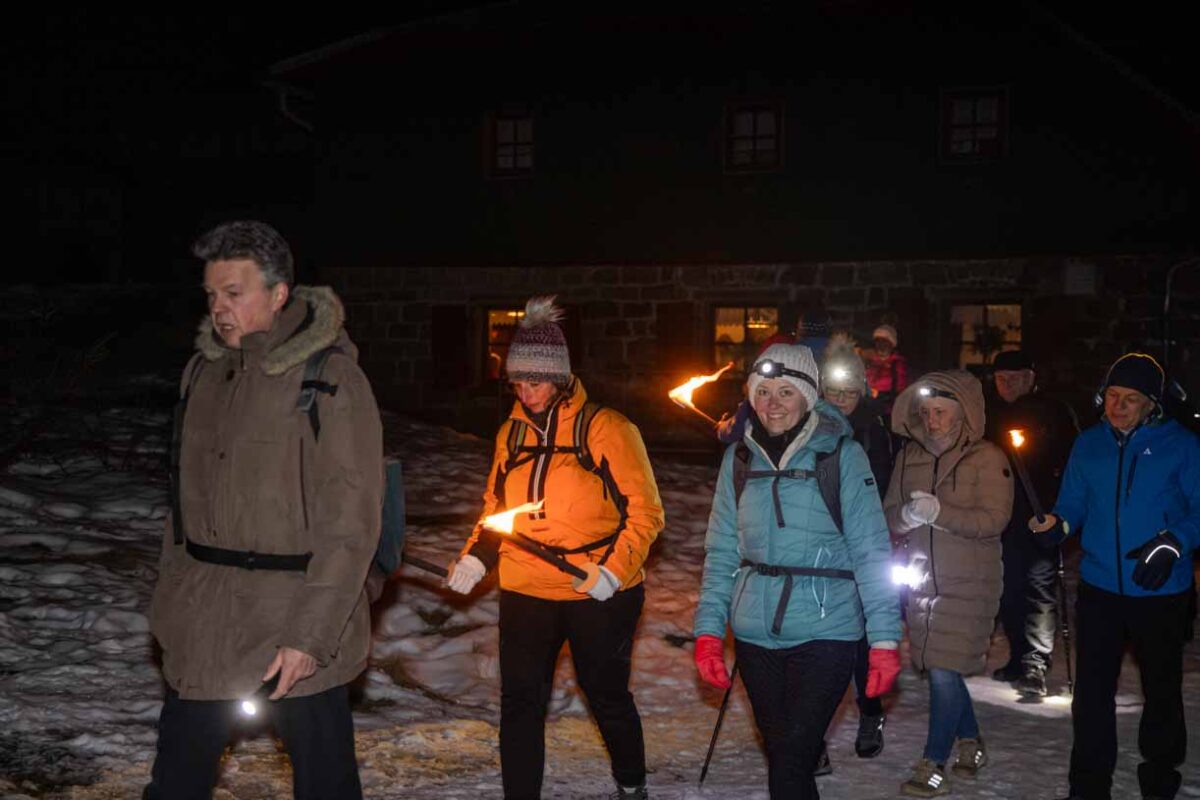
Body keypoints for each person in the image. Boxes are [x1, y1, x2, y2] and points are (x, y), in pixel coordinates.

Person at [145, 221, 383, 799]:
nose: (219, 309)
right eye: (211, 295)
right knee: (174, 782)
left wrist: (311, 636)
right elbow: (181, 506)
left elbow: (351, 526)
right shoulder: (201, 374)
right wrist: (169, 605)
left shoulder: (329, 380)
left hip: (294, 621)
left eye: (234, 293)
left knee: (325, 785)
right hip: (205, 624)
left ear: (278, 295)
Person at [447, 296, 664, 800]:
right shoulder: (510, 434)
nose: (526, 393)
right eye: (517, 383)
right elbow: (496, 508)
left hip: (598, 589)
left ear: (562, 379)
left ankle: (631, 784)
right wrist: (477, 555)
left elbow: (647, 513)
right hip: (526, 585)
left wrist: (612, 571)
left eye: (536, 382)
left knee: (606, 695)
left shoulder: (608, 429)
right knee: (520, 700)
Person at [693, 343, 902, 800]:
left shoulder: (841, 457)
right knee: (786, 758)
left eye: (785, 391)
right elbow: (722, 552)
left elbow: (871, 551)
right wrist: (709, 631)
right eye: (762, 391)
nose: (772, 404)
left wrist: (884, 640)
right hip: (754, 634)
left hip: (827, 630)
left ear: (809, 396)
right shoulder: (739, 460)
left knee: (790, 757)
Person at [1030, 353, 1199, 800]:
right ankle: (1088, 785)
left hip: (1160, 588)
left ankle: (1160, 778)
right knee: (1091, 693)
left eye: (1130, 398)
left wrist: (1173, 541)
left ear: (1152, 404)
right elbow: (1073, 504)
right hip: (1100, 587)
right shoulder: (1089, 444)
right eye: (1111, 396)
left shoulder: (1182, 445)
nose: (1116, 406)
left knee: (1161, 690)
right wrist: (1058, 525)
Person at [884, 371, 1013, 797]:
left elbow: (994, 520)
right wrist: (903, 517)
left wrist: (941, 513)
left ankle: (933, 762)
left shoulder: (987, 457)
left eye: (941, 411)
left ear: (964, 413)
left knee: (942, 670)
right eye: (926, 413)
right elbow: (888, 511)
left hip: (970, 582)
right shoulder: (909, 457)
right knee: (945, 669)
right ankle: (972, 744)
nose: (932, 420)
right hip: (921, 582)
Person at [983, 349, 1078, 697]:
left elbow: (1070, 462)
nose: (1005, 385)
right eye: (1000, 379)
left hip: (1040, 515)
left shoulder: (1052, 413)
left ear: (1030, 378)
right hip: (1003, 517)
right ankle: (1019, 656)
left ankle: (1035, 663)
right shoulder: (990, 415)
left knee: (1039, 589)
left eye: (1013, 378)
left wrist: (1058, 511)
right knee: (1008, 591)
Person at [821, 340, 898, 759]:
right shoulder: (809, 425)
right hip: (821, 550)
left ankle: (870, 712)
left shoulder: (872, 429)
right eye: (833, 393)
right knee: (822, 646)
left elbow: (883, 484)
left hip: (864, 544)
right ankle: (812, 735)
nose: (840, 402)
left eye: (848, 394)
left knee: (865, 643)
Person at [864, 323, 909, 412]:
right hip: (866, 400)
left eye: (884, 341)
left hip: (887, 404)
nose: (881, 344)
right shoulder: (868, 359)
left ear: (891, 344)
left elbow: (900, 386)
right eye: (878, 341)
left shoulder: (897, 362)